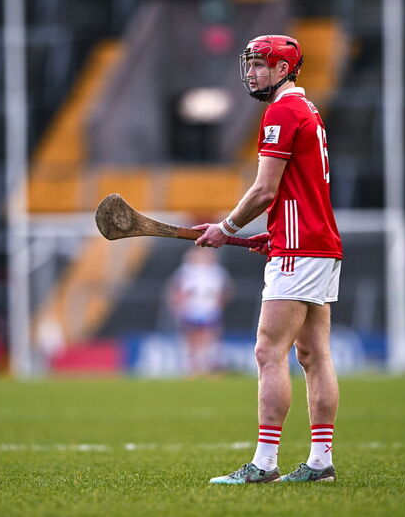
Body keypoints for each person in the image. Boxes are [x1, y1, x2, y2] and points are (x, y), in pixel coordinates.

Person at [195, 35, 343, 483]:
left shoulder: (281, 111)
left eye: (261, 64)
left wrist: (227, 228)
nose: (253, 72)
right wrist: (272, 234)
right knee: (315, 354)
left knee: (267, 351)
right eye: (252, 63)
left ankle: (264, 464)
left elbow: (264, 189)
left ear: (284, 69)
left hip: (300, 249)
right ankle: (320, 462)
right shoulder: (308, 109)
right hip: (315, 243)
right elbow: (297, 191)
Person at [167, 246, 233, 374]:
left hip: (209, 310)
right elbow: (176, 290)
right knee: (192, 338)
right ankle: (193, 366)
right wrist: (179, 305)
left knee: (208, 337)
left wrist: (219, 303)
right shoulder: (186, 271)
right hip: (191, 309)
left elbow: (226, 289)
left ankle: (207, 365)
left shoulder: (217, 272)